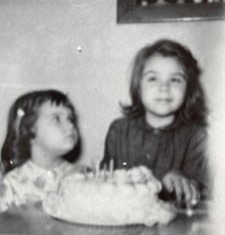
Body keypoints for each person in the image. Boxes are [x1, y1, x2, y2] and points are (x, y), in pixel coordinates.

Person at [101, 39, 210, 203]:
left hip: (174, 225)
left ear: (188, 90)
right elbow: (104, 181)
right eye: (153, 79)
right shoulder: (119, 130)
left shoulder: (196, 137)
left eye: (175, 79)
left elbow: (202, 190)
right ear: (138, 86)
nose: (164, 87)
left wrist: (187, 181)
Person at [0, 89, 81, 211]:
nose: (70, 125)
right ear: (28, 132)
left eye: (70, 119)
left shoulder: (81, 177)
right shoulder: (12, 184)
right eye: (56, 119)